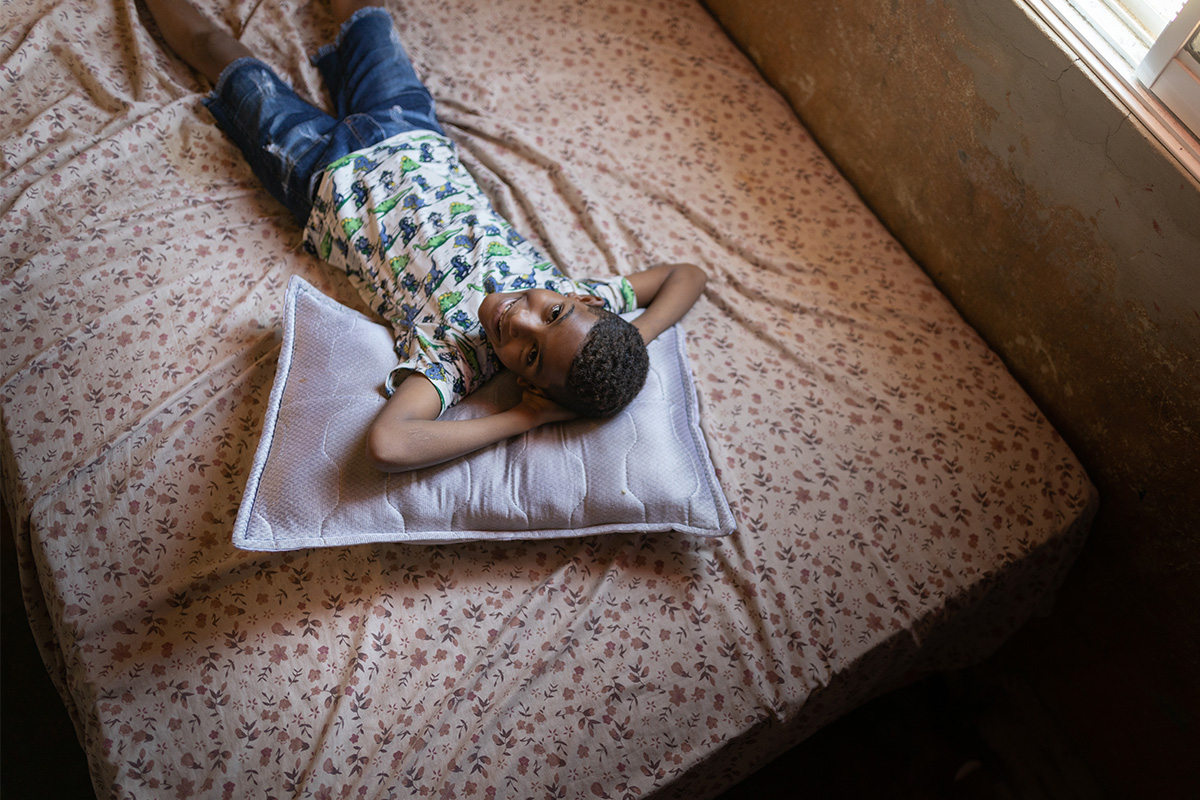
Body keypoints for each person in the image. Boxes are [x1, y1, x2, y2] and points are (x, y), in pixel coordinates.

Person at [143, 0, 707, 471]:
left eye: (530, 355)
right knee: (366, 19)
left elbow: (389, 443)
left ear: (529, 384)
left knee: (218, 50)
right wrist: (641, 336)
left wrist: (522, 418)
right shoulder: (590, 298)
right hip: (408, 127)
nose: (521, 320)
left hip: (319, 171)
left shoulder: (456, 362)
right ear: (580, 300)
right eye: (552, 313)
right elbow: (687, 274)